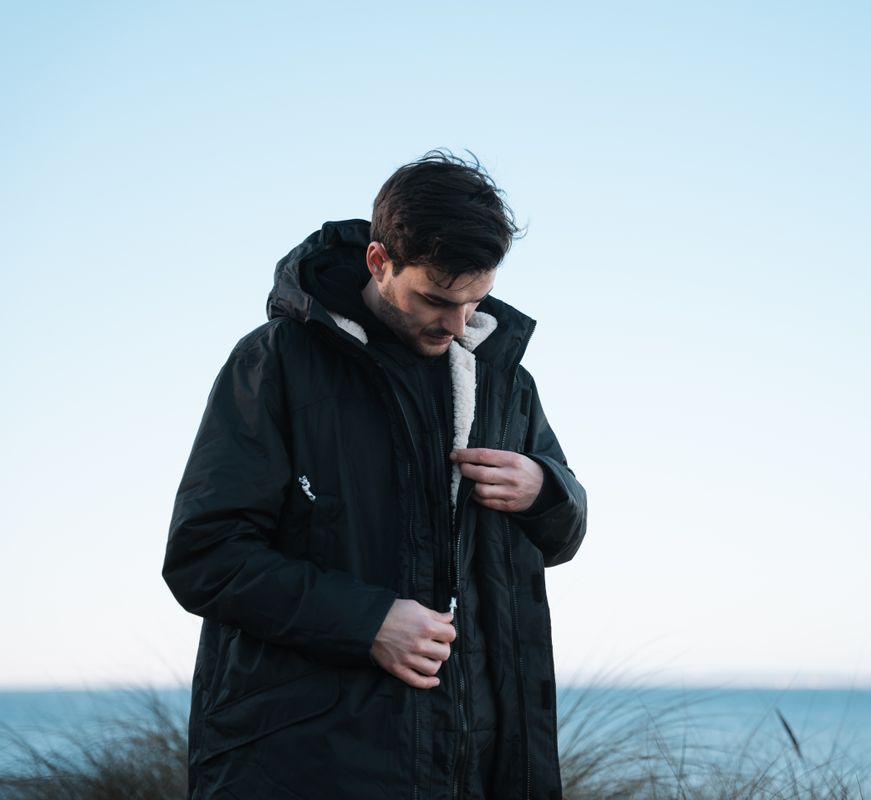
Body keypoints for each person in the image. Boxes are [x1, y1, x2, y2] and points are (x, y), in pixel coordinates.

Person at [163, 151, 587, 800]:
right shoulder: (276, 365)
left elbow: (562, 536)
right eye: (437, 300)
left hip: (482, 767)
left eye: (476, 300)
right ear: (378, 261)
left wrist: (545, 489)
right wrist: (366, 622)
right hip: (306, 765)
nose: (457, 324)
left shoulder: (505, 381)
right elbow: (204, 556)